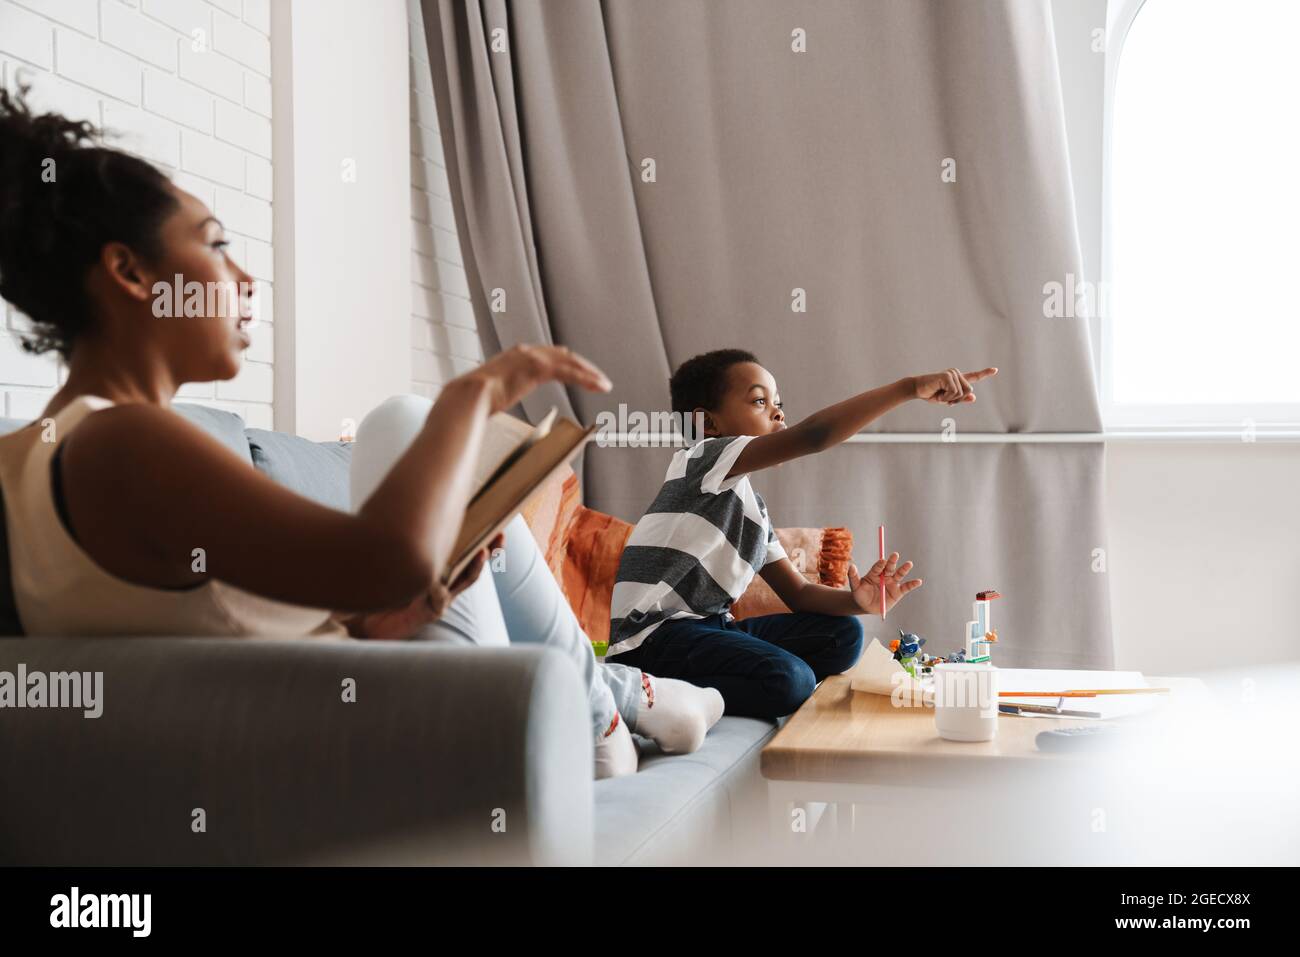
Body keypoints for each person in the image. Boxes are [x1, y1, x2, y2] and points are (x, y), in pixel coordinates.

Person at [0, 87, 722, 779]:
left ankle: (610, 708)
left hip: (335, 719)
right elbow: (390, 559)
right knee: (401, 421)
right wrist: (468, 398)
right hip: (389, 750)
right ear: (128, 271)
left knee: (463, 528)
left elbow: (238, 633)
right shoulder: (125, 441)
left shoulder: (37, 453)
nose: (245, 278)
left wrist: (397, 613)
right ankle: (607, 714)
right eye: (216, 245)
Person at [606, 348, 997, 718]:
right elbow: (814, 435)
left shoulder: (751, 510)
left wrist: (858, 602)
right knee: (791, 680)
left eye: (779, 404)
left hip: (709, 628)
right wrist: (908, 388)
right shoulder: (701, 460)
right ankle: (649, 690)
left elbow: (800, 594)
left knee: (842, 635)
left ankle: (717, 678)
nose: (777, 414)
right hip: (652, 641)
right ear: (709, 423)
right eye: (760, 402)